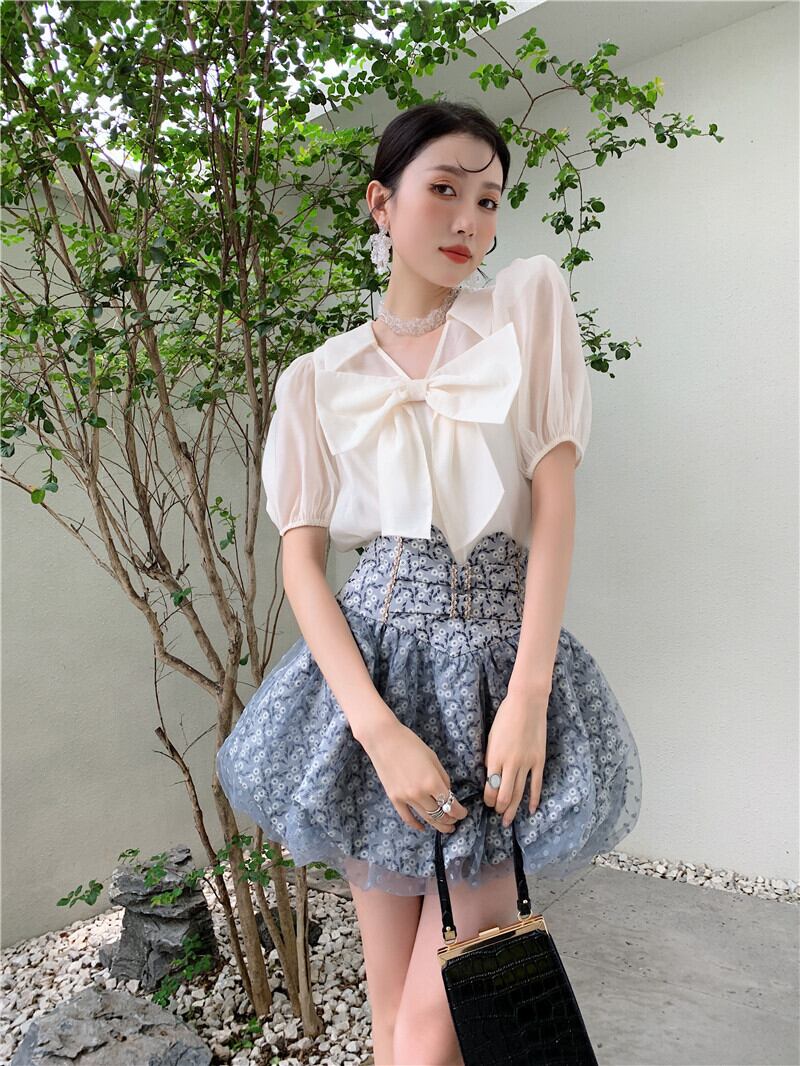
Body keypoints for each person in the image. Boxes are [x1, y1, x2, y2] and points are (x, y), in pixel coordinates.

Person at [216, 100, 642, 1066]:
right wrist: (374, 728)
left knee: (431, 1024)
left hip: (496, 679)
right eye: (444, 190)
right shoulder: (318, 376)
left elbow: (556, 510)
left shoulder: (522, 313)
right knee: (387, 1022)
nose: (468, 220)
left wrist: (527, 696)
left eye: (488, 200)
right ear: (382, 203)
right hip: (371, 684)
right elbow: (301, 559)